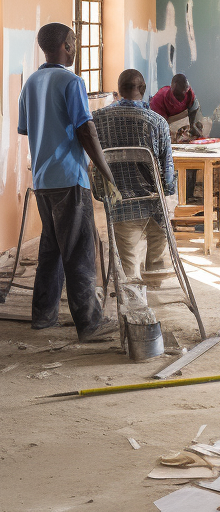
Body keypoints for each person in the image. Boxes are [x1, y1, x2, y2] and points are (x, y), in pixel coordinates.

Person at [17, 22, 120, 341]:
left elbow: (26, 129)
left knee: (51, 246)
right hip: (69, 178)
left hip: (43, 180)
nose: (75, 45)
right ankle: (89, 323)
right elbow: (85, 129)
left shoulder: (31, 83)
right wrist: (106, 171)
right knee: (78, 248)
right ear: (65, 45)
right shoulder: (72, 81)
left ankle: (43, 315)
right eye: (73, 40)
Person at [93, 69, 177, 286]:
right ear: (143, 89)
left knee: (129, 269)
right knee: (159, 251)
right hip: (154, 204)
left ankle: (133, 298)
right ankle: (155, 279)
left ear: (119, 90)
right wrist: (166, 196)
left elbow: (93, 165)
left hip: (120, 204)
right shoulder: (157, 122)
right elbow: (167, 177)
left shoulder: (98, 119)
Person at [149, 74, 203, 142]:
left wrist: (193, 129)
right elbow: (159, 126)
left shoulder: (189, 94)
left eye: (182, 95)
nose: (180, 99)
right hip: (164, 120)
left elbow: (195, 114)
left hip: (183, 119)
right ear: (171, 90)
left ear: (186, 90)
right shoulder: (158, 99)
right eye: (177, 95)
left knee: (197, 131)